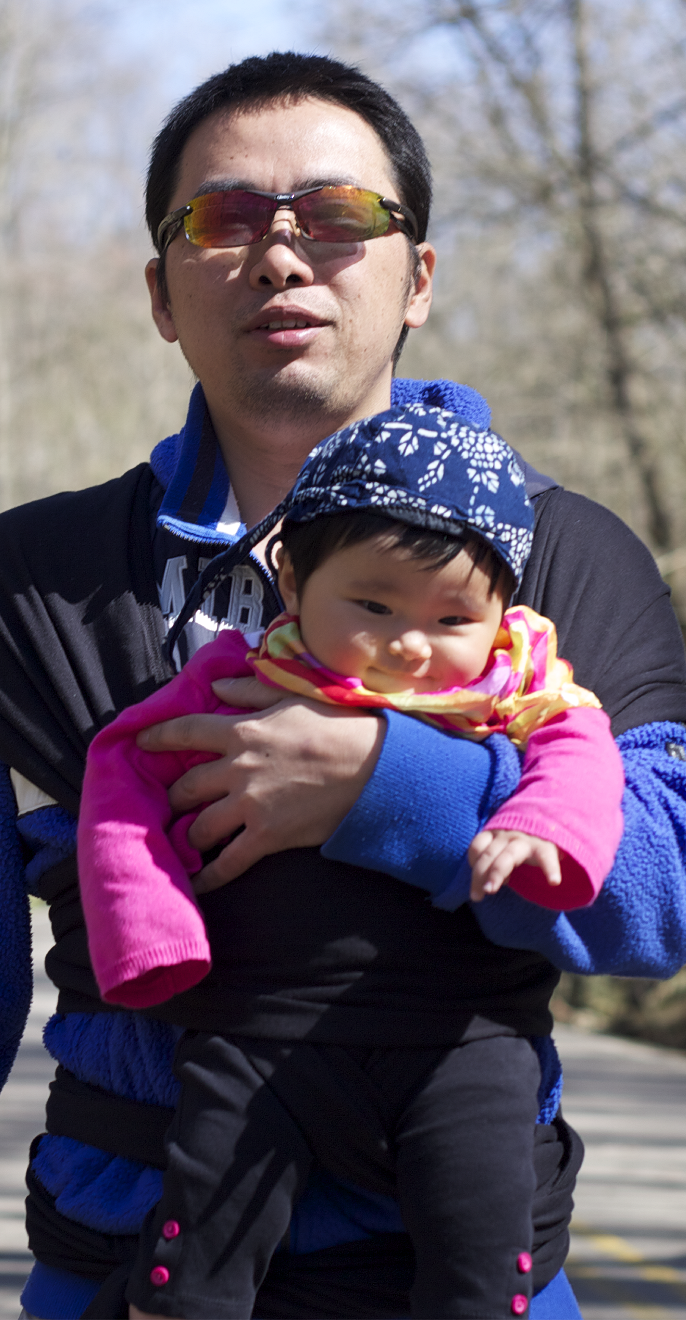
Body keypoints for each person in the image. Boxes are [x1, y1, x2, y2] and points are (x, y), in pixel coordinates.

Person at [0, 52, 686, 1320]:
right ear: (162, 292)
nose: (283, 255)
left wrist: (388, 788)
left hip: (467, 1275)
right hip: (128, 1278)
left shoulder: (561, 555)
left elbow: (672, 891)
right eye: (226, 219)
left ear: (418, 279)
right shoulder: (44, 585)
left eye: (340, 218)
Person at [80, 408, 625, 1318]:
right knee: (202, 1234)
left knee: (483, 1243)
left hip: (464, 1035)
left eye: (453, 616)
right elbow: (123, 769)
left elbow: (584, 757)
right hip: (259, 1023)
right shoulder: (242, 677)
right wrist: (150, 931)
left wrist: (542, 829)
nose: (411, 643)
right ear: (290, 576)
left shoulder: (518, 691)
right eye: (372, 606)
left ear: (503, 613)